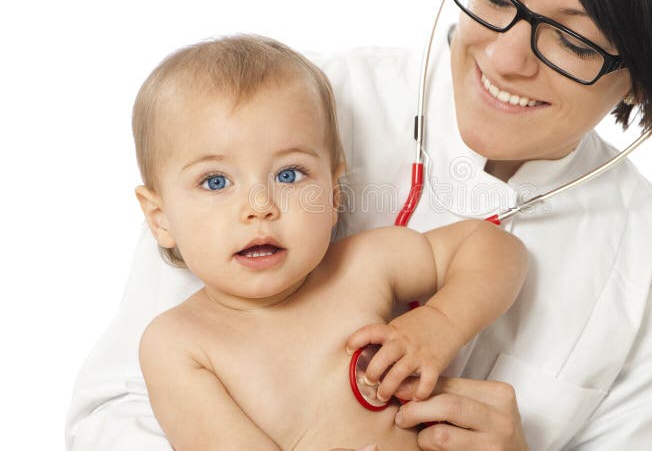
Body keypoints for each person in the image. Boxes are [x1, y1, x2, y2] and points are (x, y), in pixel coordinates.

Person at [66, 0, 652, 449]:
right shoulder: (287, 114)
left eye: (573, 41)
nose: (504, 57)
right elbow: (114, 410)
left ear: (648, 78)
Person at [131, 34, 527, 450]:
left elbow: (493, 248)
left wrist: (441, 324)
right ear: (160, 219)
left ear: (334, 195)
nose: (260, 206)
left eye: (289, 175)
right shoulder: (179, 345)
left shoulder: (363, 266)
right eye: (215, 182)